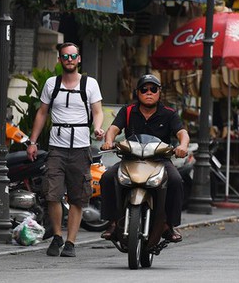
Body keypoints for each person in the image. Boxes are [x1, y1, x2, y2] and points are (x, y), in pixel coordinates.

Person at [27, 42, 105, 257]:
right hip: (57, 148)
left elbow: (97, 111)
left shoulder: (90, 84)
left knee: (78, 197)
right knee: (52, 194)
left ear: (79, 59)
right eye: (65, 57)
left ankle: (70, 242)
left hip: (80, 148)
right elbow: (42, 113)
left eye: (73, 56)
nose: (69, 60)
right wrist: (32, 141)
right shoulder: (52, 84)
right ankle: (57, 237)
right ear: (60, 60)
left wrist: (98, 128)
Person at [100, 74, 189, 242]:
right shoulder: (127, 111)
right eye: (144, 89)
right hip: (130, 159)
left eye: (153, 89)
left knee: (176, 180)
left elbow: (182, 133)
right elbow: (113, 129)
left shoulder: (169, 113)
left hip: (160, 161)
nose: (149, 92)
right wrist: (109, 141)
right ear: (138, 93)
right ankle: (112, 222)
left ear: (159, 92)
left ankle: (168, 225)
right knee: (107, 177)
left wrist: (183, 146)